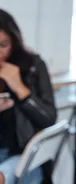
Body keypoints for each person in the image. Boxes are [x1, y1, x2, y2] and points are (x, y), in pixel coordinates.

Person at [0, 10, 57, 184]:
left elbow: (49, 118)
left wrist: (19, 88)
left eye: (3, 44)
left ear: (14, 42)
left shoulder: (33, 67)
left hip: (24, 155)